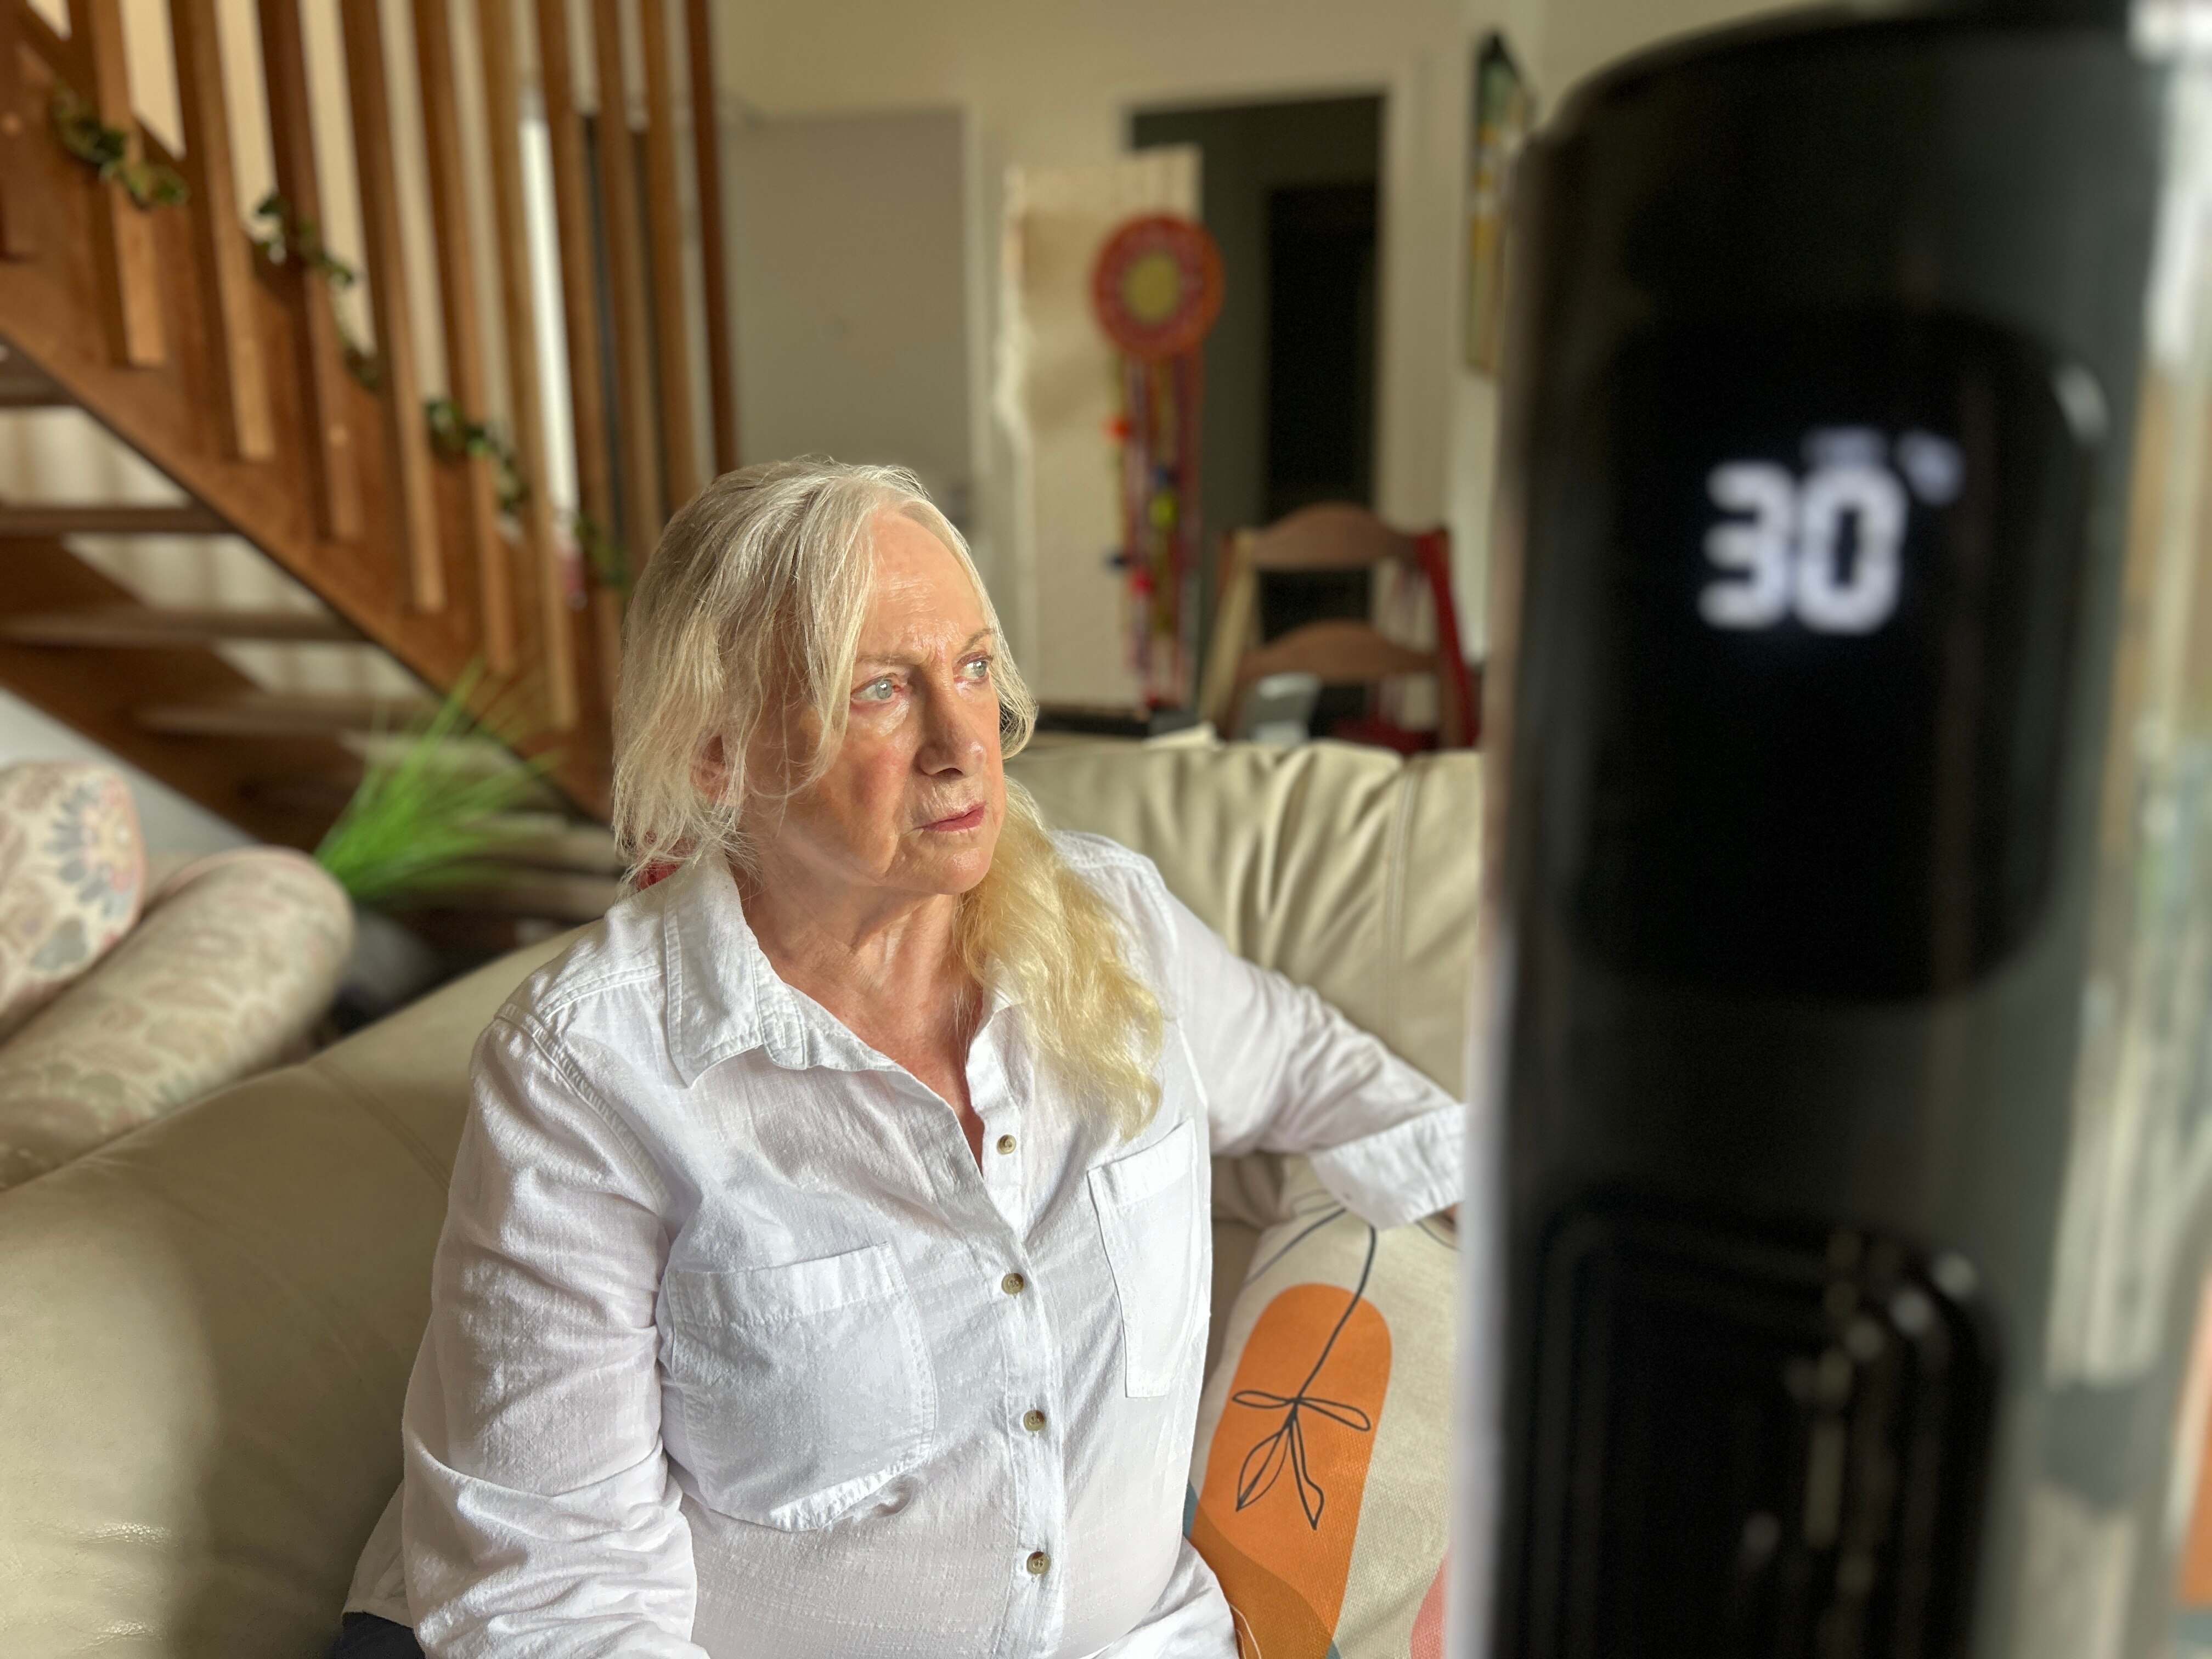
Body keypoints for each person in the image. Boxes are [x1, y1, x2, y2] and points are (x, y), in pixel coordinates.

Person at [334, 458, 1462, 1657]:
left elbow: (1324, 1080)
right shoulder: (590, 1073)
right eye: (880, 689)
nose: (961, 742)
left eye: (973, 669)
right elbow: (560, 1597)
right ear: (720, 757)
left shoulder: (1115, 928)